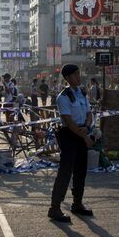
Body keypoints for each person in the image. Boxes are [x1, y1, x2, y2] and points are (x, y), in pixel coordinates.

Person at [48, 64, 94, 223]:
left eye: (79, 73)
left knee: (81, 170)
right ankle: (55, 208)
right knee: (65, 172)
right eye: (75, 74)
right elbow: (68, 120)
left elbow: (89, 113)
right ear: (67, 78)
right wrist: (83, 135)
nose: (78, 77)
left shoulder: (82, 93)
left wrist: (87, 128)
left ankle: (77, 203)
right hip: (69, 135)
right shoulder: (63, 97)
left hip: (82, 131)